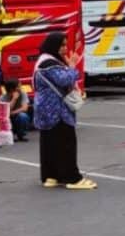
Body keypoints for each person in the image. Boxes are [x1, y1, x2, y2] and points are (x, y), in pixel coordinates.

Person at [33, 32, 96, 190]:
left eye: (65, 45)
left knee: (49, 143)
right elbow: (64, 79)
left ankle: (51, 176)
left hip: (45, 109)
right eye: (61, 45)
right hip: (57, 110)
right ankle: (72, 178)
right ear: (53, 45)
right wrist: (73, 67)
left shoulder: (43, 60)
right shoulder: (49, 63)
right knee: (66, 143)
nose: (64, 49)